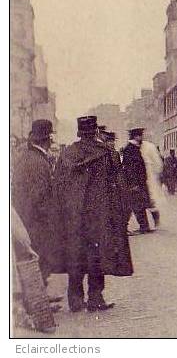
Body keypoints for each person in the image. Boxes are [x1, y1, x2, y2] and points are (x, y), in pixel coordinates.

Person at [53, 116, 133, 312]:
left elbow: (58, 186)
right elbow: (120, 185)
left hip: (74, 215)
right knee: (97, 255)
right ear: (96, 131)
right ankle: (95, 298)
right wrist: (122, 212)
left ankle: (75, 299)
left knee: (76, 253)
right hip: (100, 215)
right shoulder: (107, 153)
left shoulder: (67, 154)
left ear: (79, 132)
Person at [11, 119, 63, 283]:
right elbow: (40, 196)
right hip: (37, 220)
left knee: (36, 258)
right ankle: (39, 299)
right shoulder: (38, 161)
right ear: (47, 140)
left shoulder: (27, 156)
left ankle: (41, 295)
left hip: (25, 216)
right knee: (40, 258)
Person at [122, 128, 153, 234]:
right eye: (140, 136)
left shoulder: (134, 148)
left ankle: (144, 226)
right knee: (134, 206)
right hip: (135, 184)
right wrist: (133, 183)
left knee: (139, 205)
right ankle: (124, 227)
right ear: (135, 137)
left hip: (139, 183)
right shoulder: (130, 149)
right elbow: (129, 168)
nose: (141, 138)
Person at [140, 138, 163, 228]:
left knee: (149, 199)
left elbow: (158, 164)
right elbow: (158, 164)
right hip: (149, 177)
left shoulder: (147, 146)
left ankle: (147, 224)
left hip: (148, 177)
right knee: (150, 199)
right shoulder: (150, 146)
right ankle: (154, 222)